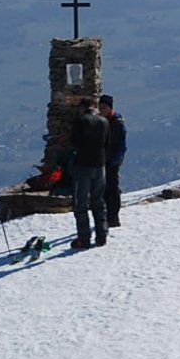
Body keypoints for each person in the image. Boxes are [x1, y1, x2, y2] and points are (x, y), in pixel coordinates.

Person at [68, 98, 111, 249]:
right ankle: (102, 235)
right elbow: (108, 144)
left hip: (83, 166)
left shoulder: (80, 121)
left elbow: (74, 142)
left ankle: (84, 238)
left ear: (83, 107)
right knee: (98, 201)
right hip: (100, 166)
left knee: (80, 203)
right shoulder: (104, 121)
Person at [99, 93, 126, 227]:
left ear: (110, 108)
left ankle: (113, 218)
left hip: (113, 161)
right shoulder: (102, 120)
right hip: (103, 160)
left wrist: (114, 161)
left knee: (113, 189)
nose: (101, 110)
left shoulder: (117, 123)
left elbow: (121, 145)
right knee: (104, 189)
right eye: (100, 107)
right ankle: (106, 217)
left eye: (104, 107)